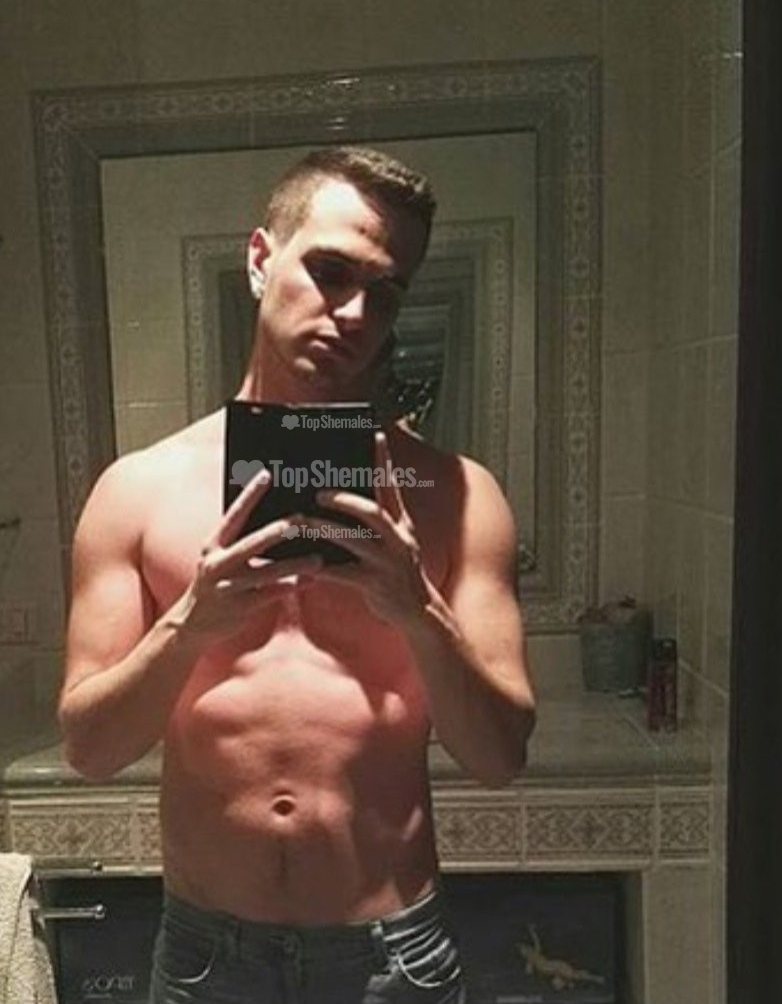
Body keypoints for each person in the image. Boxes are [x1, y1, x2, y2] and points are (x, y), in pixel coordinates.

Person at [58, 146, 537, 1003]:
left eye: (386, 291)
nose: (355, 312)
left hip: (393, 958)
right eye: (330, 271)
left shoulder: (457, 496)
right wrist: (191, 624)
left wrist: (418, 609)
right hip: (209, 960)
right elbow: (90, 750)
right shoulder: (138, 491)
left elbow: (500, 756)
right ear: (259, 260)